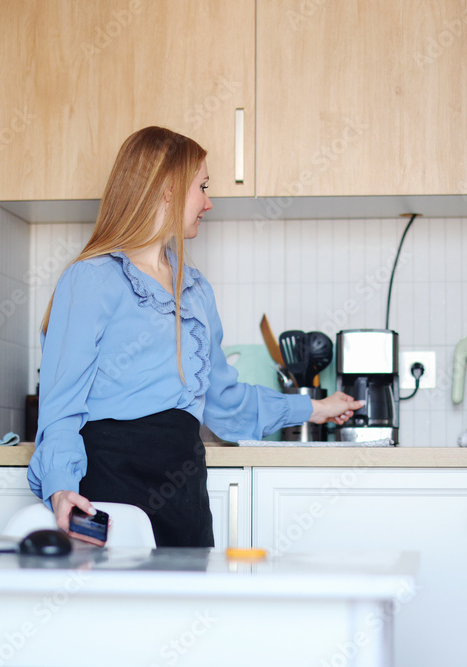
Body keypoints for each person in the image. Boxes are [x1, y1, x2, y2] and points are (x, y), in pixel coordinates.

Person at [28, 126, 363, 547]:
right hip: (109, 489)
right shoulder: (91, 278)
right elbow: (61, 407)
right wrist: (62, 488)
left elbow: (225, 404)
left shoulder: (197, 289)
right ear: (167, 188)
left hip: (184, 497)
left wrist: (313, 408)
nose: (209, 203)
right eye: (202, 187)